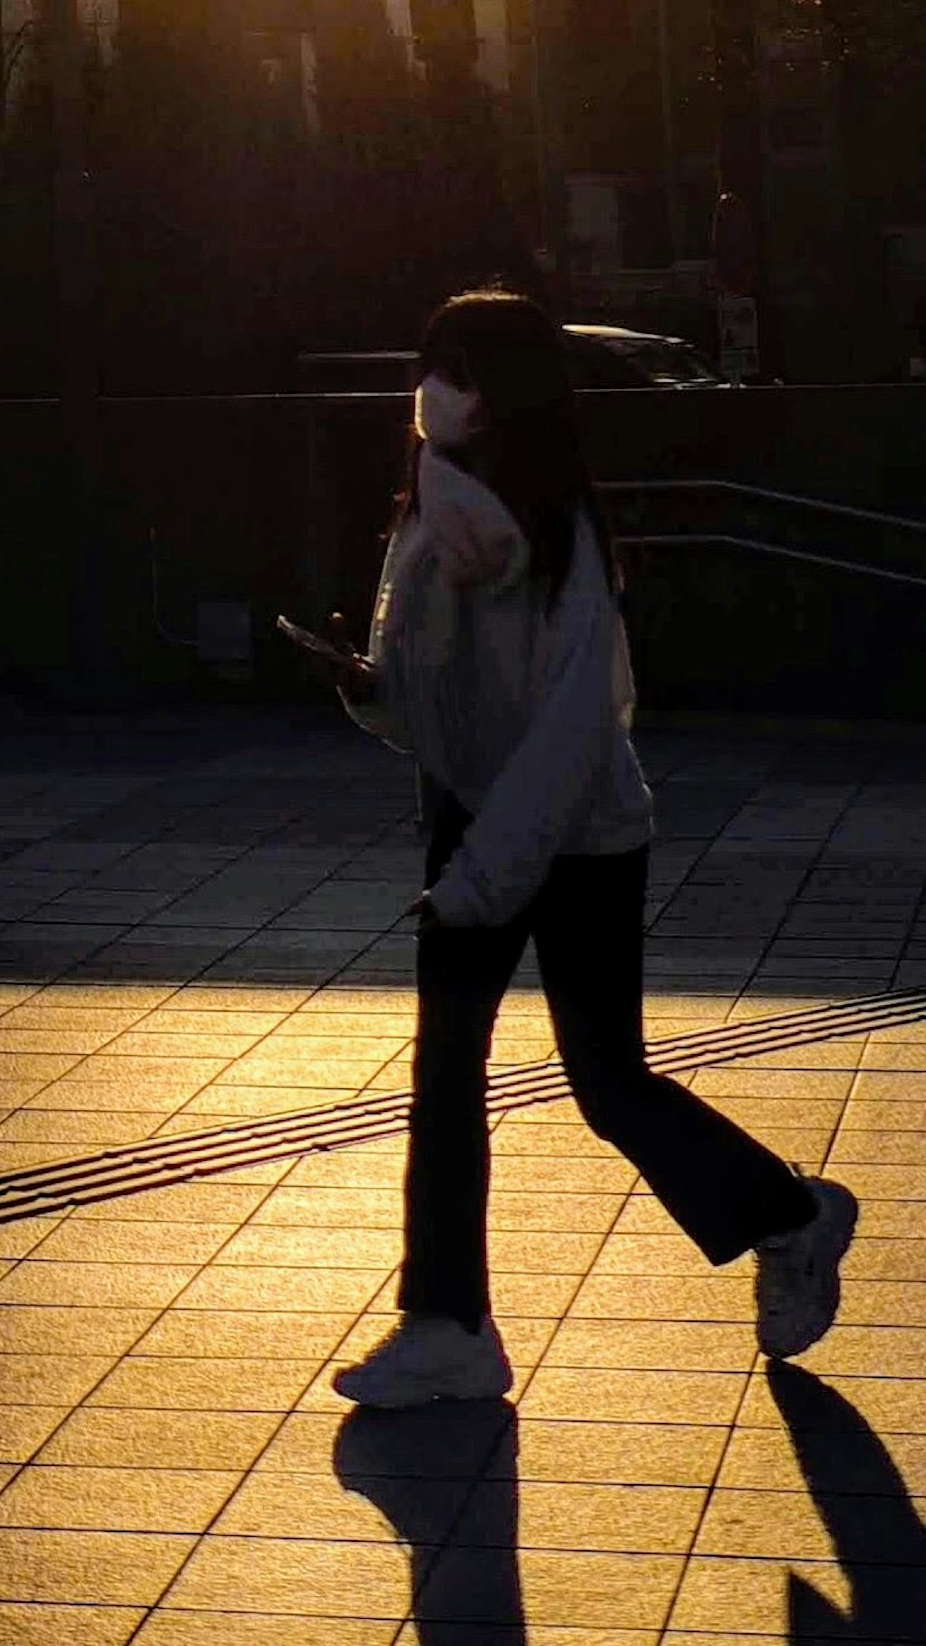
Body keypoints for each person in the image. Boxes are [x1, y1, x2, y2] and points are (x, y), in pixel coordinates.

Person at [318, 283, 853, 1408]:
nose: (436, 386)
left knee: (607, 1080)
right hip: (473, 813)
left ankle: (787, 1213)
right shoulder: (427, 510)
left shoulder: (563, 533)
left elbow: (569, 738)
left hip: (583, 834)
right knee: (445, 1070)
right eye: (432, 358)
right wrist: (372, 694)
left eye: (460, 365)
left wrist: (477, 878)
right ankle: (448, 1322)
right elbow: (433, 702)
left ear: (507, 388)